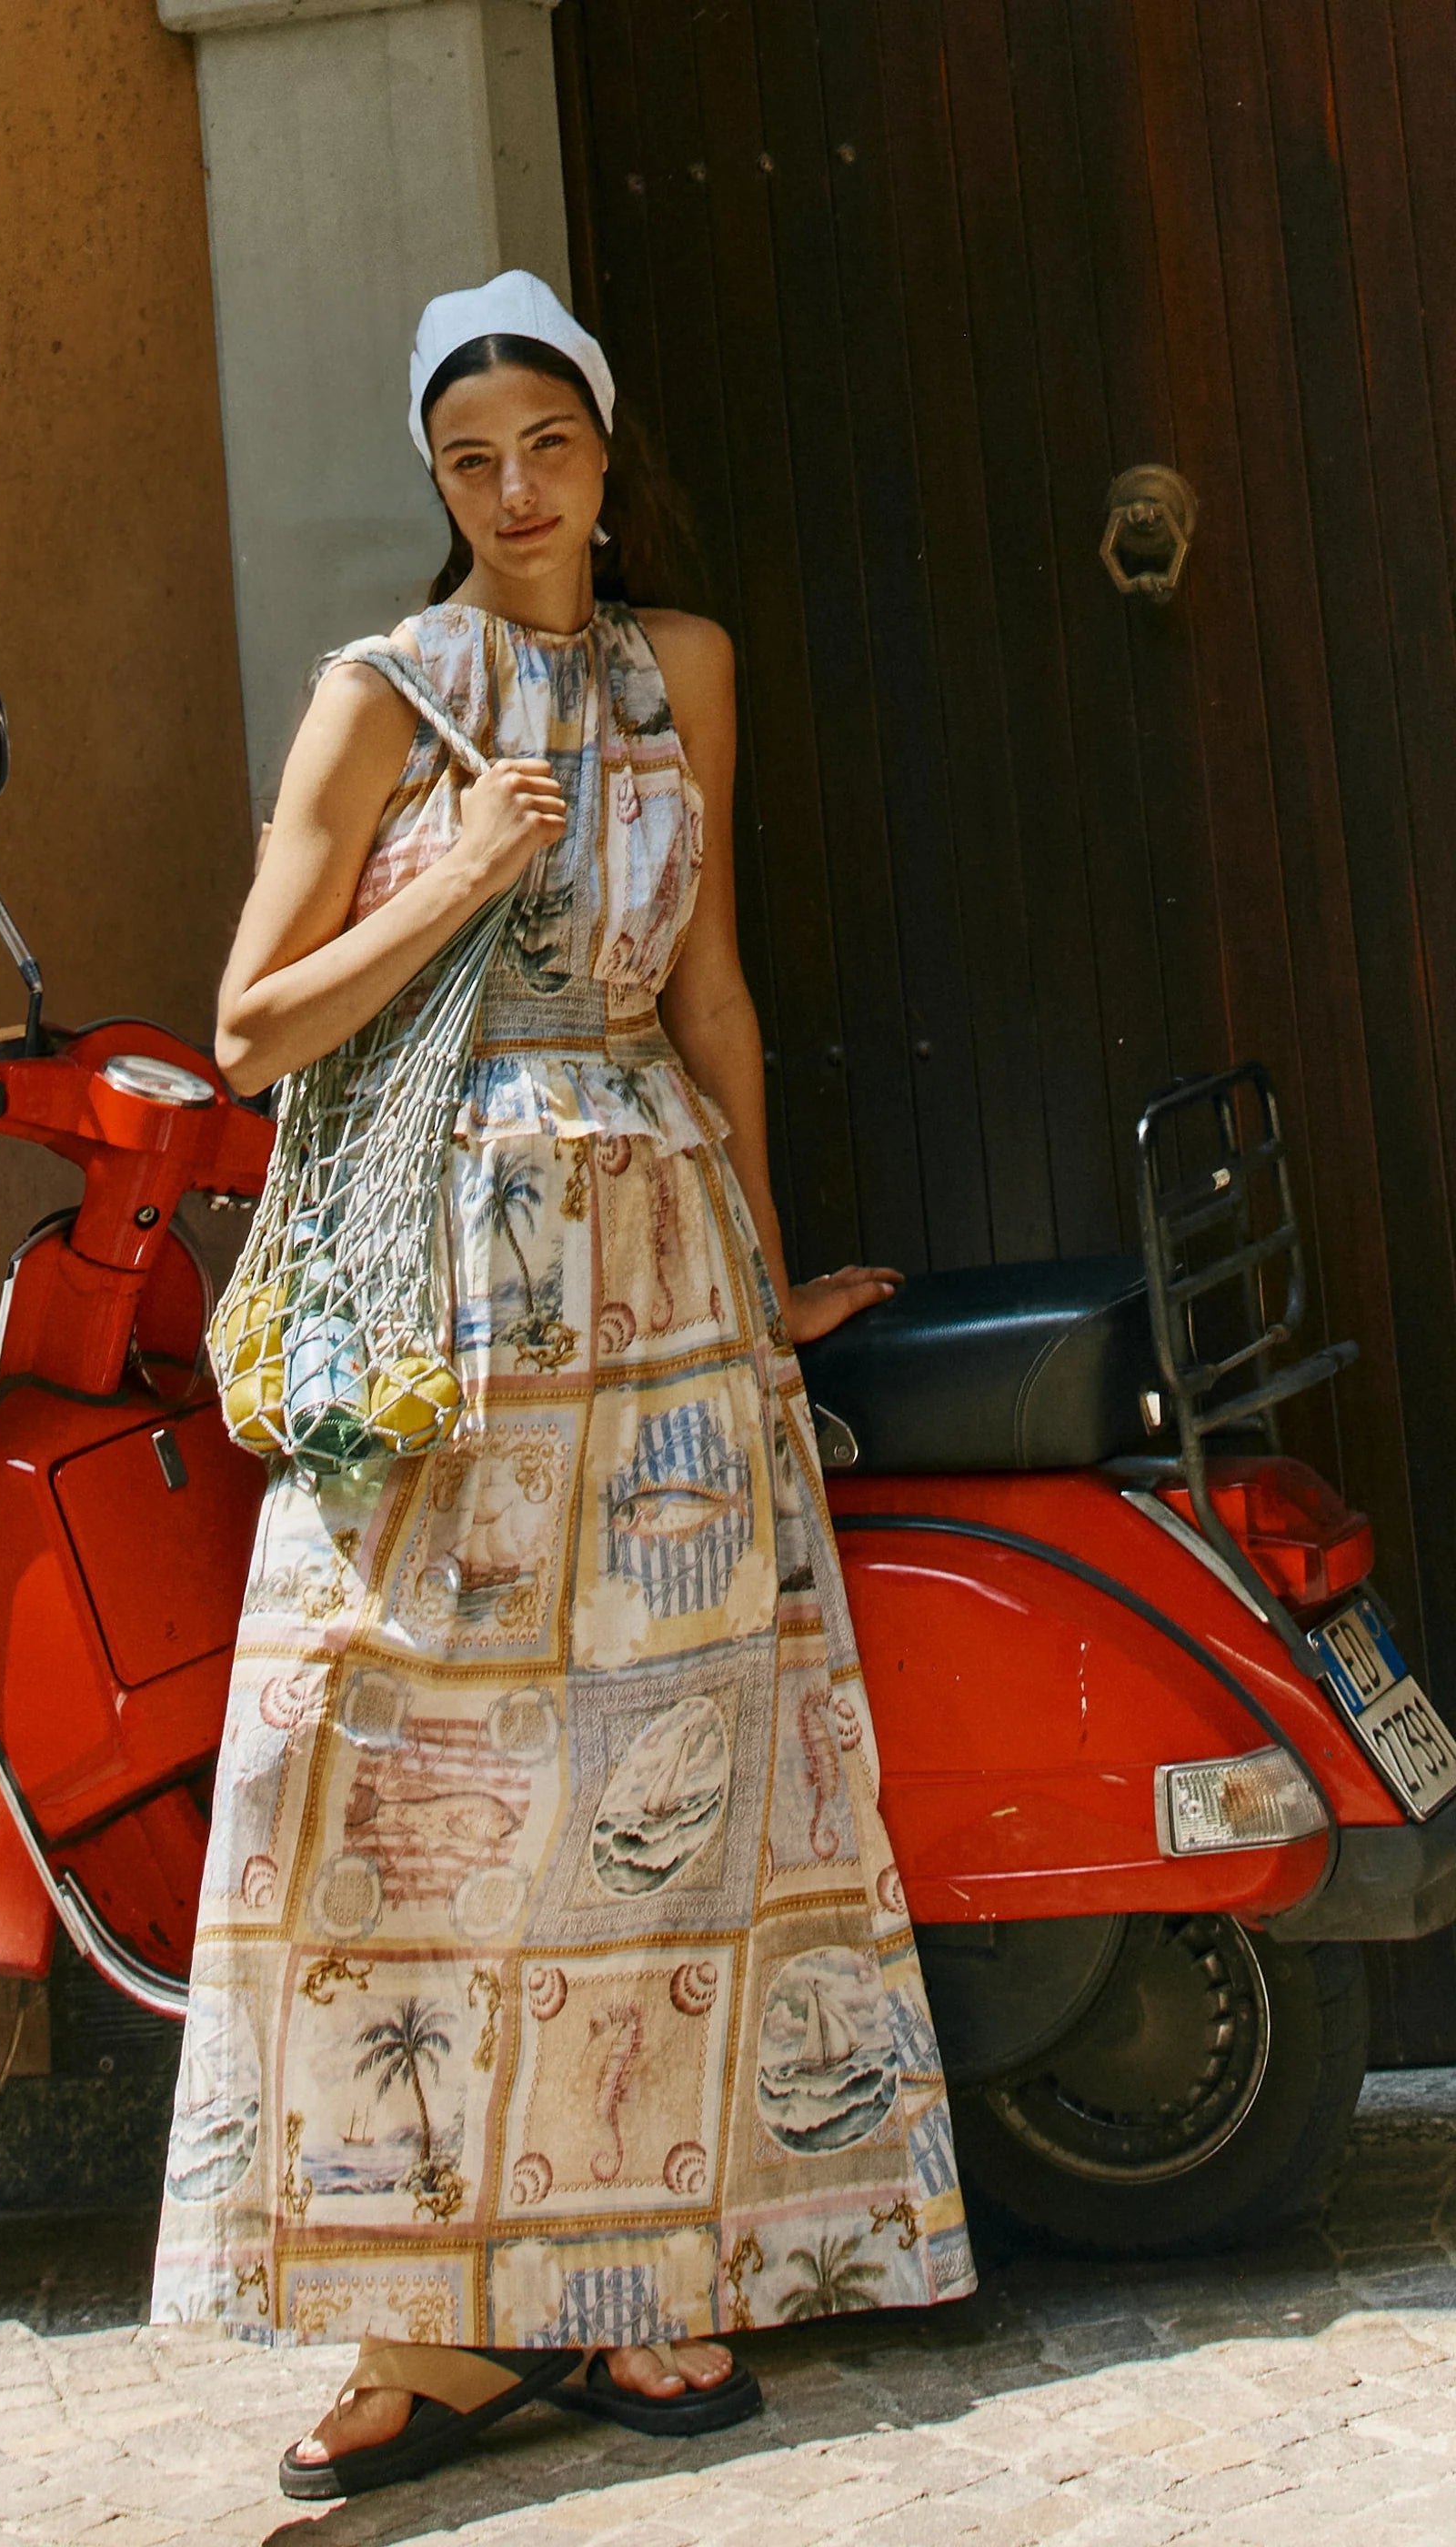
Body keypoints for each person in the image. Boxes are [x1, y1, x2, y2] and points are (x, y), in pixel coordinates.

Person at [152, 269, 974, 2501]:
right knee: (392, 1784)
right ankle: (413, 2332)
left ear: (609, 456)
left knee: (668, 1783)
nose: (512, 496)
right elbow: (249, 1026)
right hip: (438, 1317)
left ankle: (639, 2282)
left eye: (547, 449)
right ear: (435, 484)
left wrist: (771, 1273)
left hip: (667, 1291)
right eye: (467, 462)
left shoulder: (680, 668)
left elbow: (709, 987)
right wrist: (469, 874)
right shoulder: (377, 698)